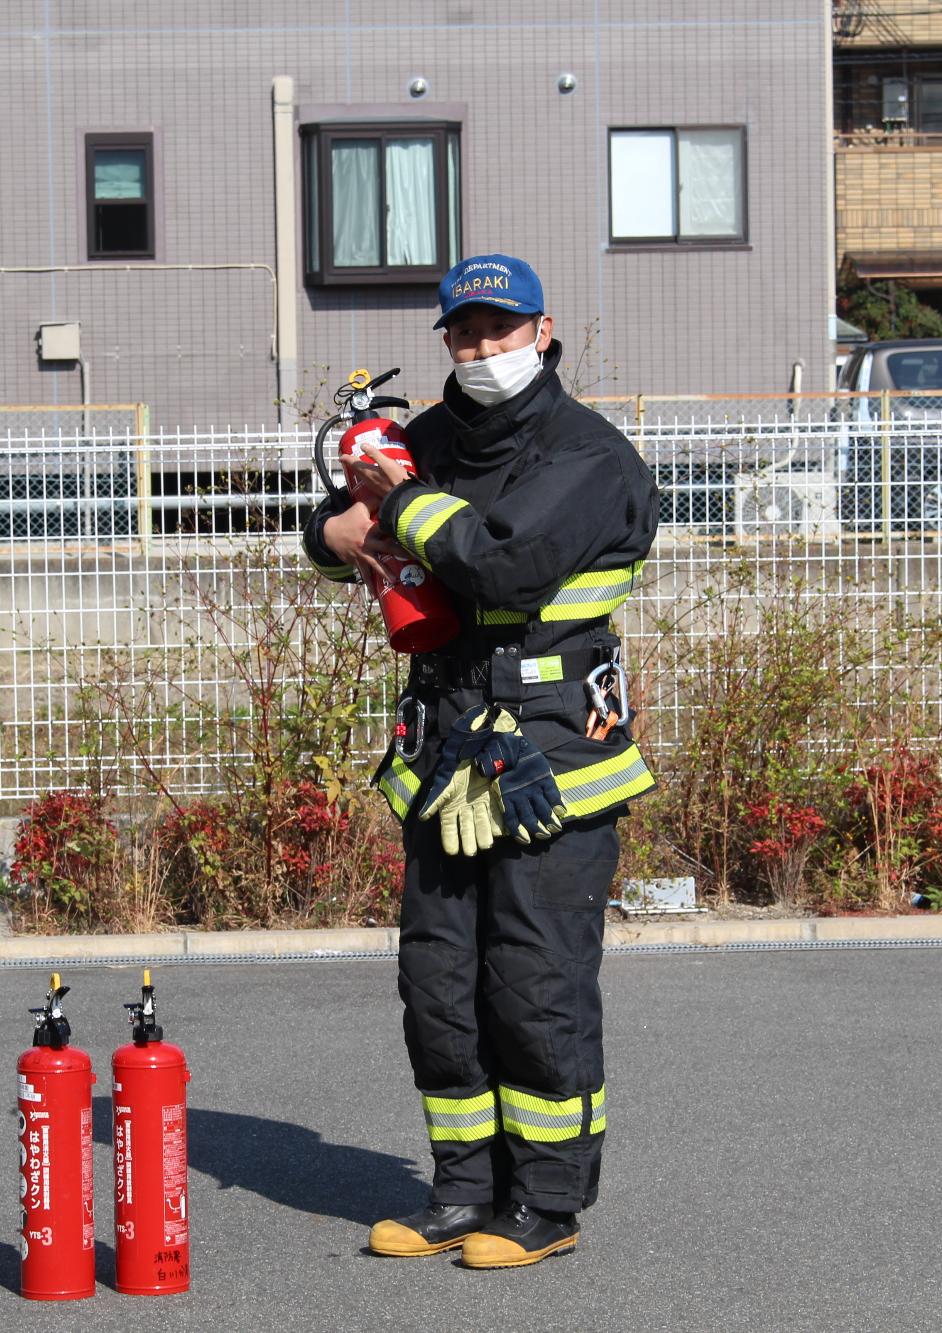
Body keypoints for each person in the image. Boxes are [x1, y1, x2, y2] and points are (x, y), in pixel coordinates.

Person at [301, 253, 658, 1269]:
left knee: (532, 982)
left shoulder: (588, 456)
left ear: (542, 332)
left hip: (553, 754)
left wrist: (401, 500)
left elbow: (498, 558)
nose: (482, 350)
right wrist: (332, 530)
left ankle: (546, 1203)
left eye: (500, 332)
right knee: (439, 981)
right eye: (463, 334)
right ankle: (461, 1189)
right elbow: (345, 523)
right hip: (446, 744)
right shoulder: (433, 437)